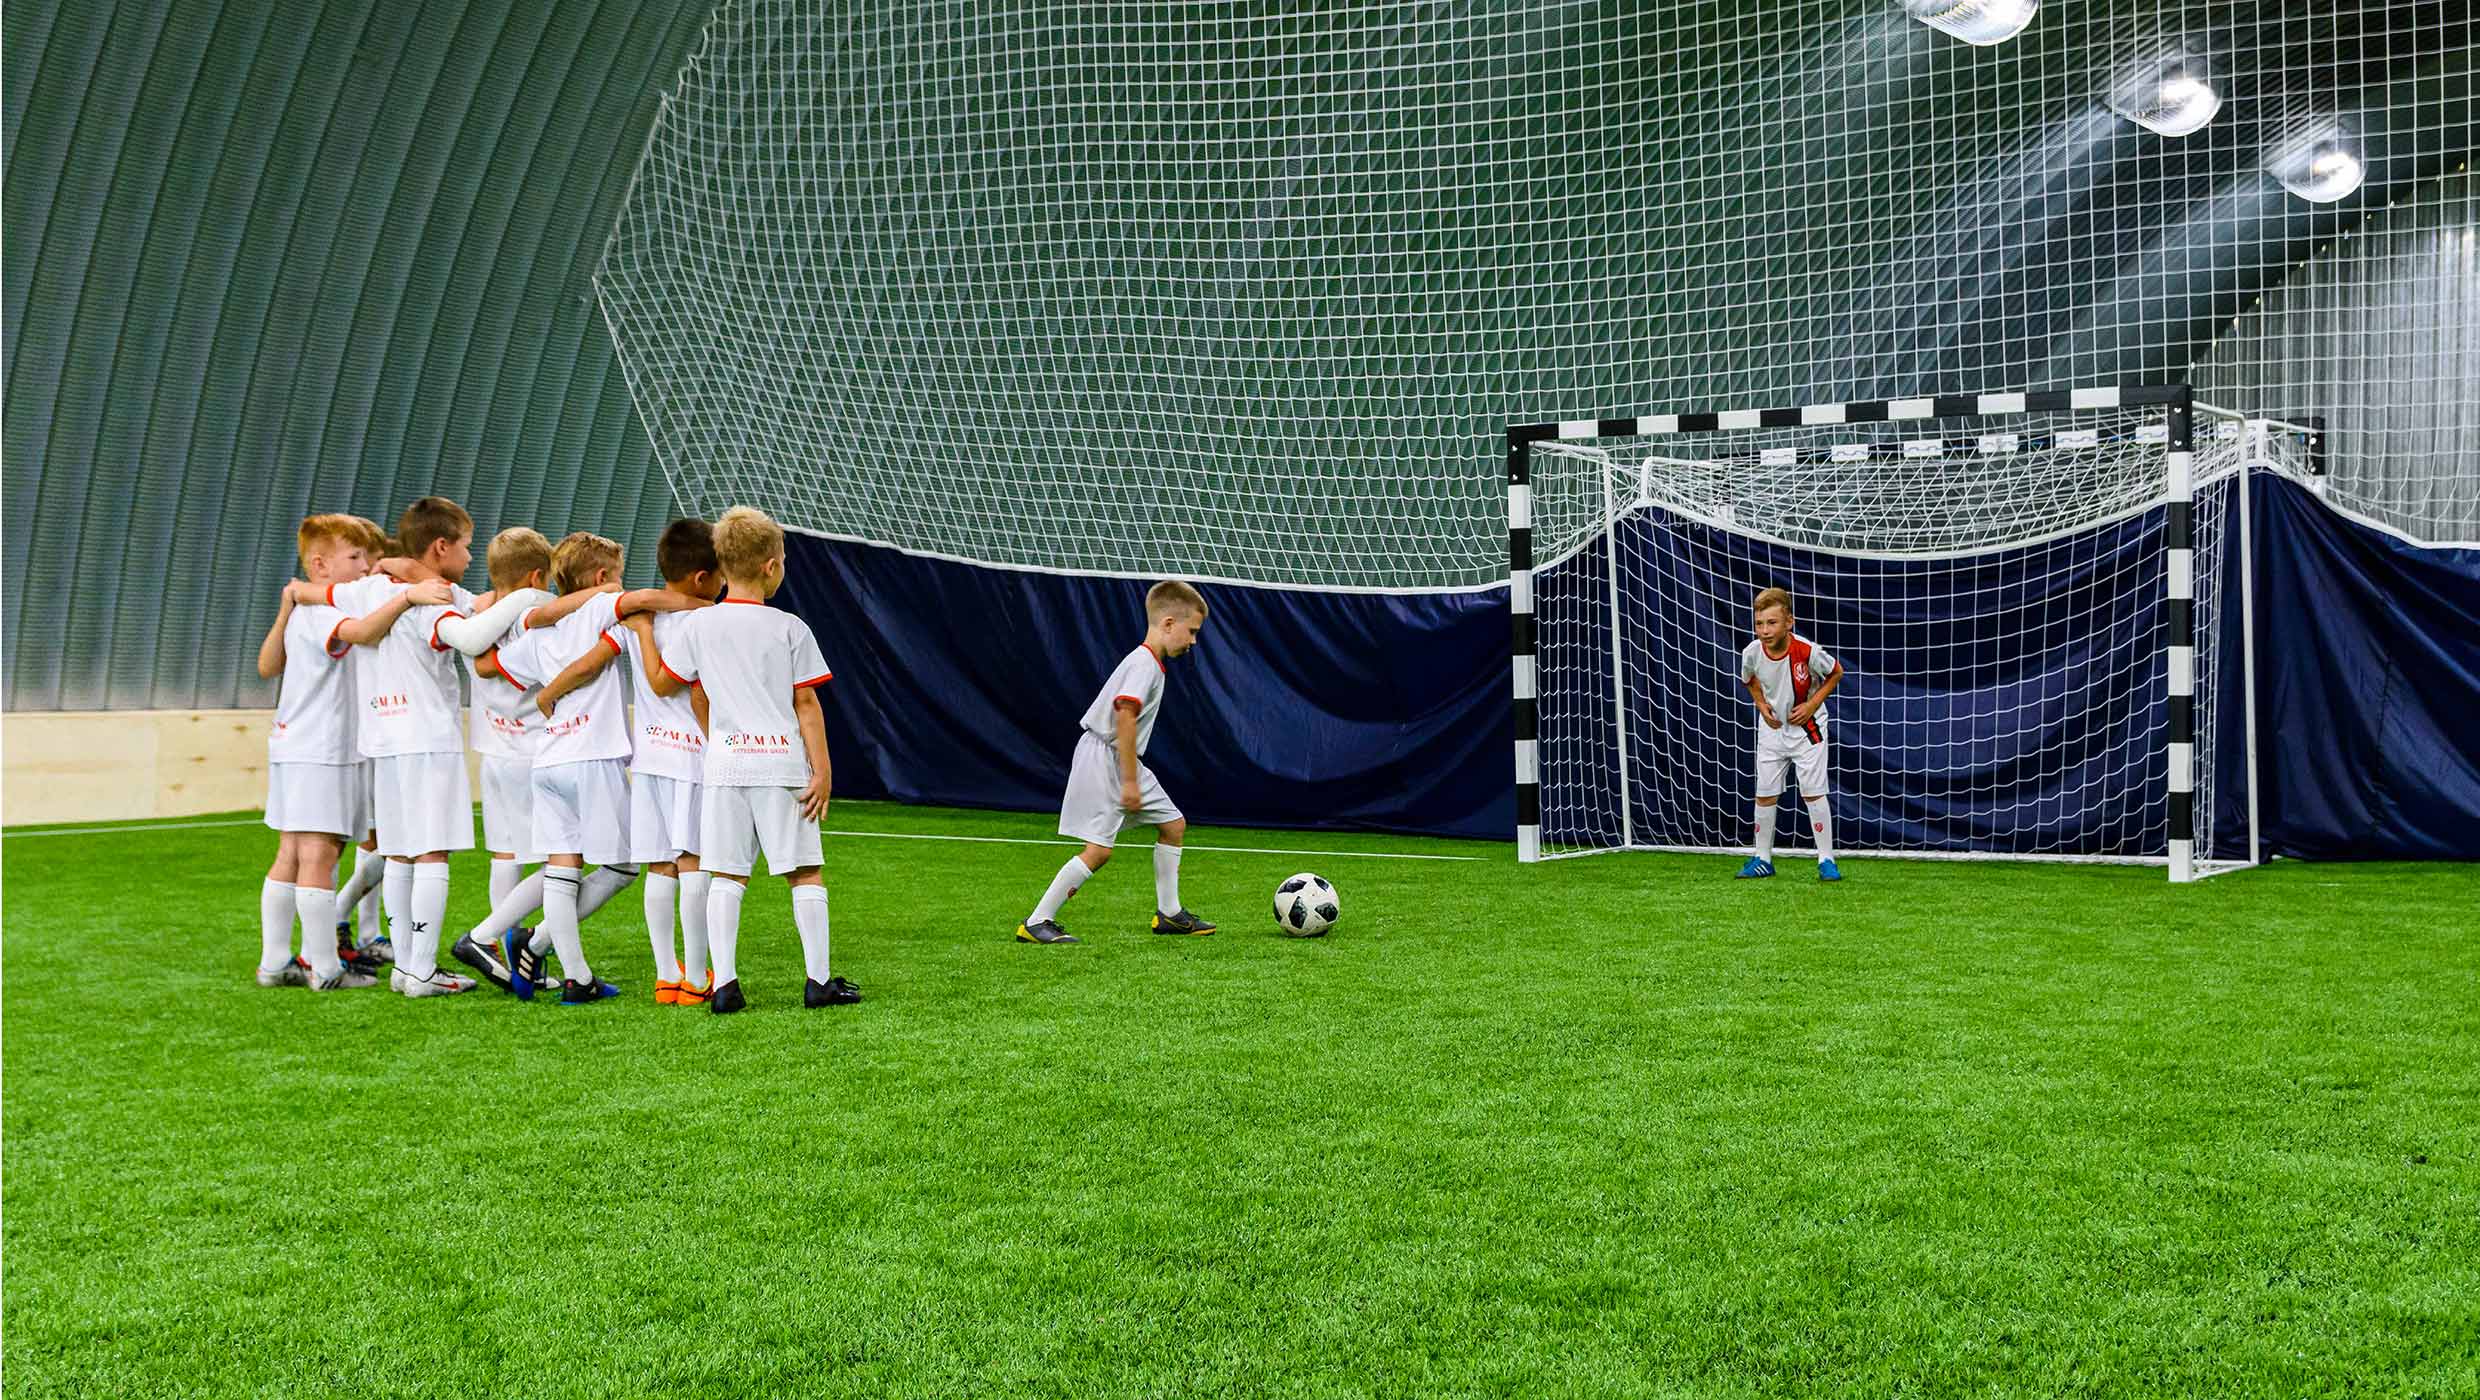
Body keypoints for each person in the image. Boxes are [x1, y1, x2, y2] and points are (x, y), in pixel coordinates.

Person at [641, 506, 854, 1014]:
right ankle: (818, 982)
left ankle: (726, 986)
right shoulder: (789, 627)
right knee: (804, 872)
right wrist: (822, 771)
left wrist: (719, 740)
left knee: (726, 875)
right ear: (771, 566)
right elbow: (806, 703)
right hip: (782, 766)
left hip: (725, 767)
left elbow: (688, 691)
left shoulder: (698, 625)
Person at [534, 519, 723, 1005]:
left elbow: (588, 664)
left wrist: (549, 693)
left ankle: (666, 975)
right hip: (693, 757)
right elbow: (687, 688)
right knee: (693, 863)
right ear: (703, 577)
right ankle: (696, 977)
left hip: (650, 758)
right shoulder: (706, 622)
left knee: (660, 865)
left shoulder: (637, 617)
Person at [1015, 580, 1215, 946]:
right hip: (1106, 757)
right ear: (1168, 623)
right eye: (1192, 631)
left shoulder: (1150, 663)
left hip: (1120, 757)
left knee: (1173, 825)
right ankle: (1038, 920)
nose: (1193, 641)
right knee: (1099, 851)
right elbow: (1124, 714)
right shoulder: (1144, 664)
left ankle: (1169, 913)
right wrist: (1129, 781)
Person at [252, 515, 383, 990]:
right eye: (355, 557)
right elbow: (365, 633)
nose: (365, 566)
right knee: (319, 854)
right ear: (320, 565)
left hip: (292, 742)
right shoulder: (328, 613)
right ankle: (325, 968)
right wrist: (407, 598)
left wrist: (289, 605)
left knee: (290, 851)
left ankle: (274, 962)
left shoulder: (303, 610)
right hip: (322, 748)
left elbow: (267, 665)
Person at [1735, 585, 1843, 882]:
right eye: (1759, 623)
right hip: (1772, 731)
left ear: (1789, 622)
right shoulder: (1751, 652)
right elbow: (1749, 680)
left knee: (1813, 792)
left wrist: (1811, 704)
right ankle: (1762, 859)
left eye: (1772, 623)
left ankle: (1826, 860)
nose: (1764, 630)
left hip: (1808, 730)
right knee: (1764, 794)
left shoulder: (1807, 651)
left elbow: (1836, 672)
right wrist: (1760, 705)